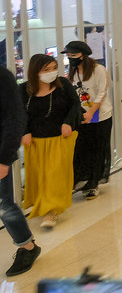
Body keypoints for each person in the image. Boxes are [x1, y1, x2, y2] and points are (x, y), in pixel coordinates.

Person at [19, 54, 81, 229]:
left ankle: (51, 210)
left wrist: (68, 122)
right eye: (46, 69)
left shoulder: (63, 85)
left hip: (60, 138)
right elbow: (19, 113)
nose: (52, 73)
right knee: (40, 176)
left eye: (54, 68)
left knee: (55, 175)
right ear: (35, 71)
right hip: (35, 141)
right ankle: (42, 204)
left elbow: (76, 104)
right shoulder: (24, 90)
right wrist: (24, 132)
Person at [2, 64, 42, 276]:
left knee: (4, 205)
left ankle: (27, 246)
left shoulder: (3, 78)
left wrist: (4, 159)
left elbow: (14, 119)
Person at [64, 41, 112, 199]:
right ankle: (81, 180)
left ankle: (93, 183)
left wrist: (92, 112)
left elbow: (101, 93)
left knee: (98, 149)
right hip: (82, 117)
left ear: (83, 55)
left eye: (74, 55)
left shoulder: (99, 70)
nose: (71, 59)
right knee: (82, 149)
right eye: (69, 56)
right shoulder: (73, 71)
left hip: (100, 116)